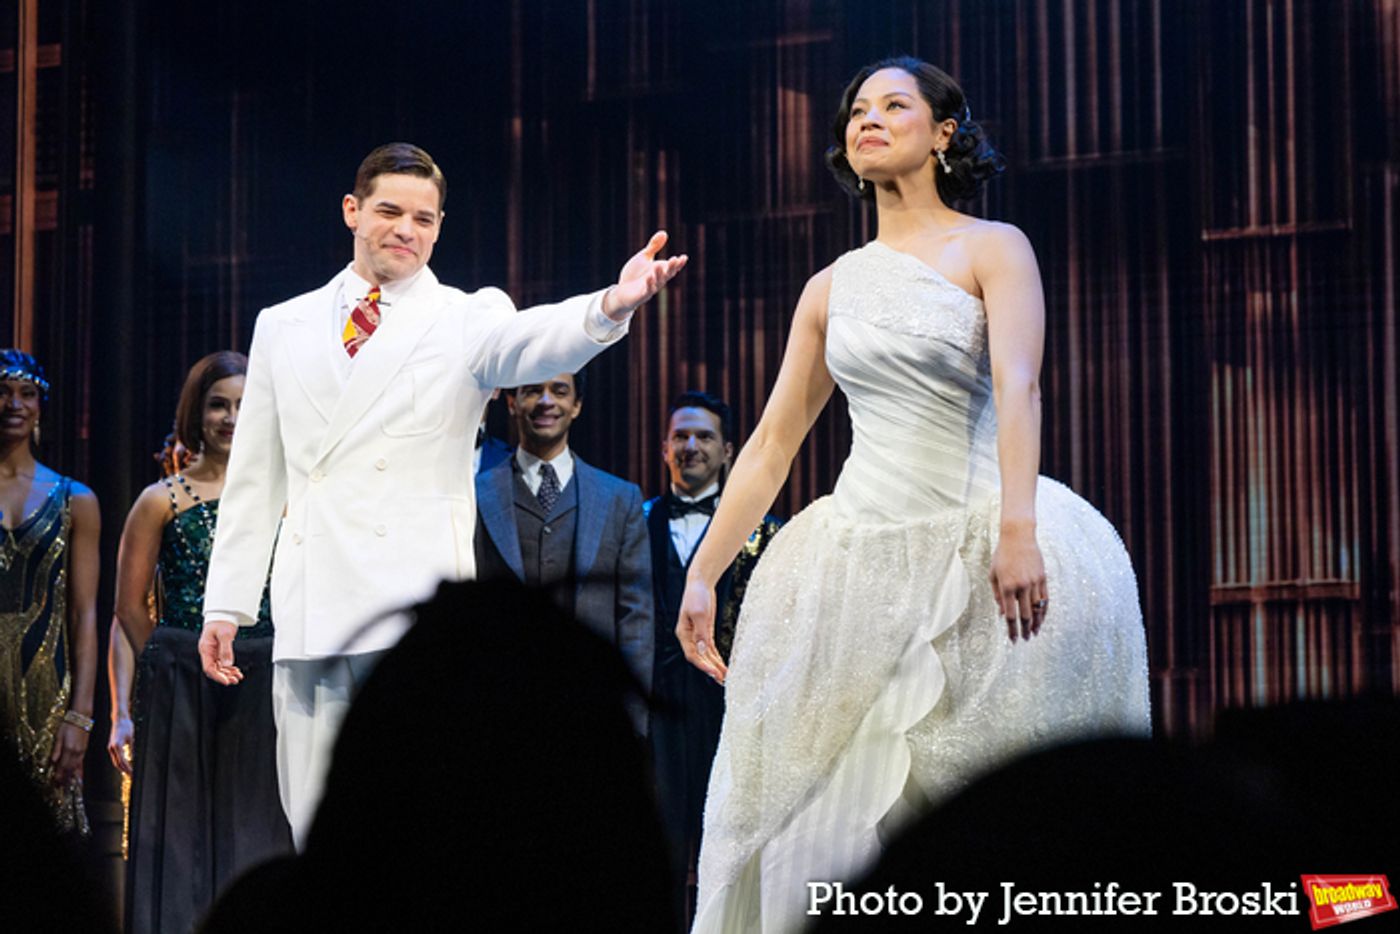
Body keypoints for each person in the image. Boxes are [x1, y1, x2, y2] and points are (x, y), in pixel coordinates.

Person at [675, 58, 1151, 931]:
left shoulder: (992, 247)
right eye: (858, 110)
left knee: (977, 800)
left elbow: (1019, 385)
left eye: (895, 105)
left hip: (971, 541)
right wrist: (704, 573)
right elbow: (776, 441)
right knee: (822, 816)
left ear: (944, 132)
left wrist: (1018, 527)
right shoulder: (831, 286)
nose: (869, 120)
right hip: (856, 557)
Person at [198, 142, 685, 847]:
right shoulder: (283, 323)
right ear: (352, 211)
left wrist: (613, 303)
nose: (406, 229)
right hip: (313, 605)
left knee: (420, 823)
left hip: (417, 612)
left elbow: (534, 342)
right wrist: (228, 603)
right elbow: (255, 477)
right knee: (315, 822)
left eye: (423, 219)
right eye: (390, 211)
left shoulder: (466, 317)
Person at [111, 351, 291, 933]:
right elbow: (128, 606)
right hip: (181, 685)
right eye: (218, 404)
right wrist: (173, 660)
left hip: (263, 677)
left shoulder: (284, 499)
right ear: (197, 413)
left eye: (243, 405)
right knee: (179, 832)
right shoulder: (160, 500)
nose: (231, 417)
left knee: (258, 827)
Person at [644, 391, 781, 925]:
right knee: (658, 847)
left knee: (729, 849)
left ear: (728, 452)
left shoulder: (768, 533)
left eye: (704, 437)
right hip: (656, 711)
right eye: (681, 436)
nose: (691, 446)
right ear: (664, 449)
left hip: (732, 713)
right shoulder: (635, 520)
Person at [474, 371, 653, 732]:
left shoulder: (620, 498)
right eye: (532, 391)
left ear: (576, 406)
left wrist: (631, 717)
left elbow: (636, 619)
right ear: (511, 403)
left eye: (559, 391)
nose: (546, 401)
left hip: (592, 712)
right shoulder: (475, 494)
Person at [0, 349, 100, 836]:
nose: (13, 403)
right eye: (2, 391)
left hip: (44, 683)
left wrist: (80, 716)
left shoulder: (75, 499)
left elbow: (84, 614)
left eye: (26, 393)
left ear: (40, 406)